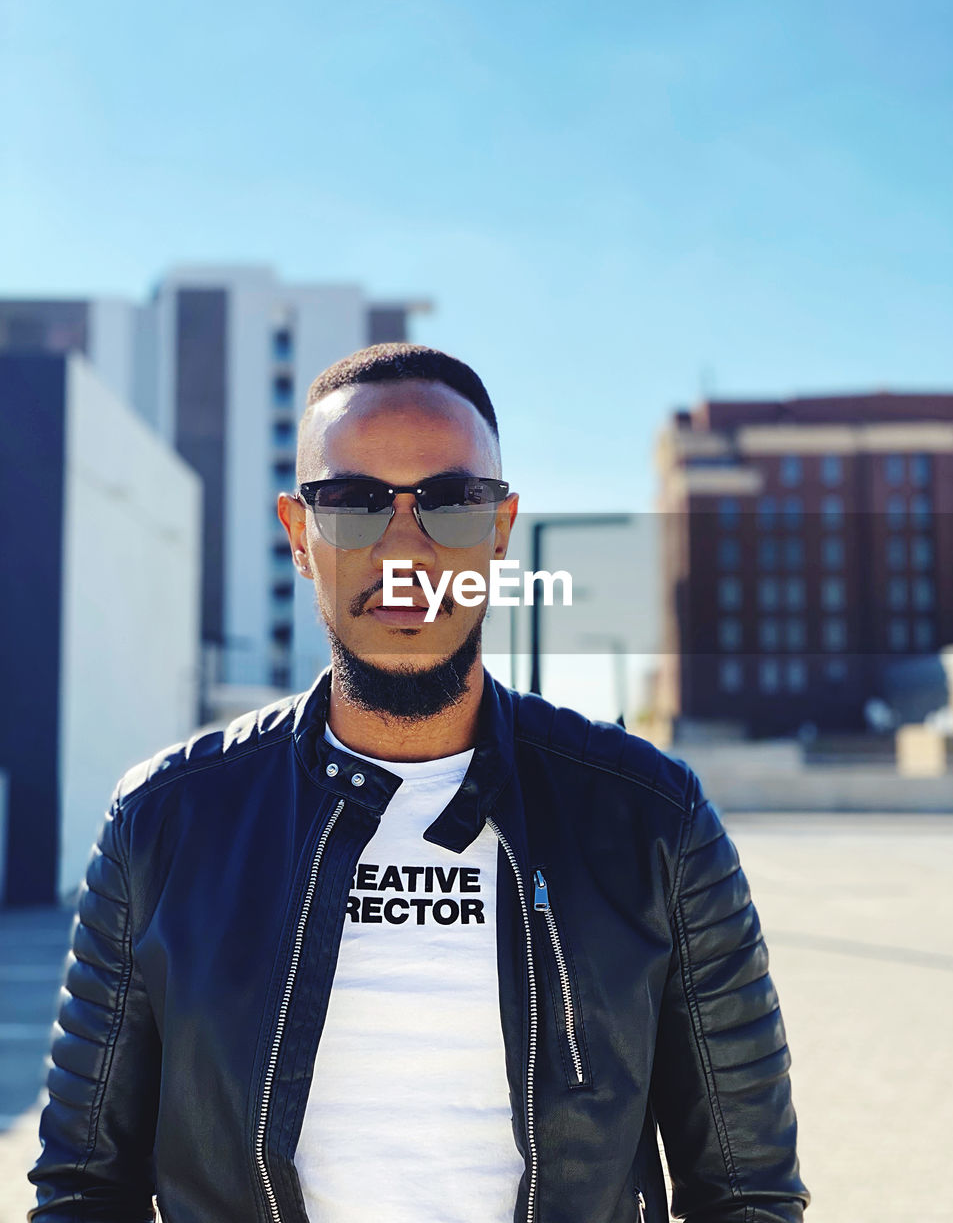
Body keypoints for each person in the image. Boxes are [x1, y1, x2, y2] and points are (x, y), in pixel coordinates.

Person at [29, 343, 810, 1222]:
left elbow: (747, 1193)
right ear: (299, 533)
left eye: (451, 502)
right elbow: (85, 1189)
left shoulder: (653, 821)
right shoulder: (162, 826)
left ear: (501, 530)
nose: (404, 546)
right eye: (355, 503)